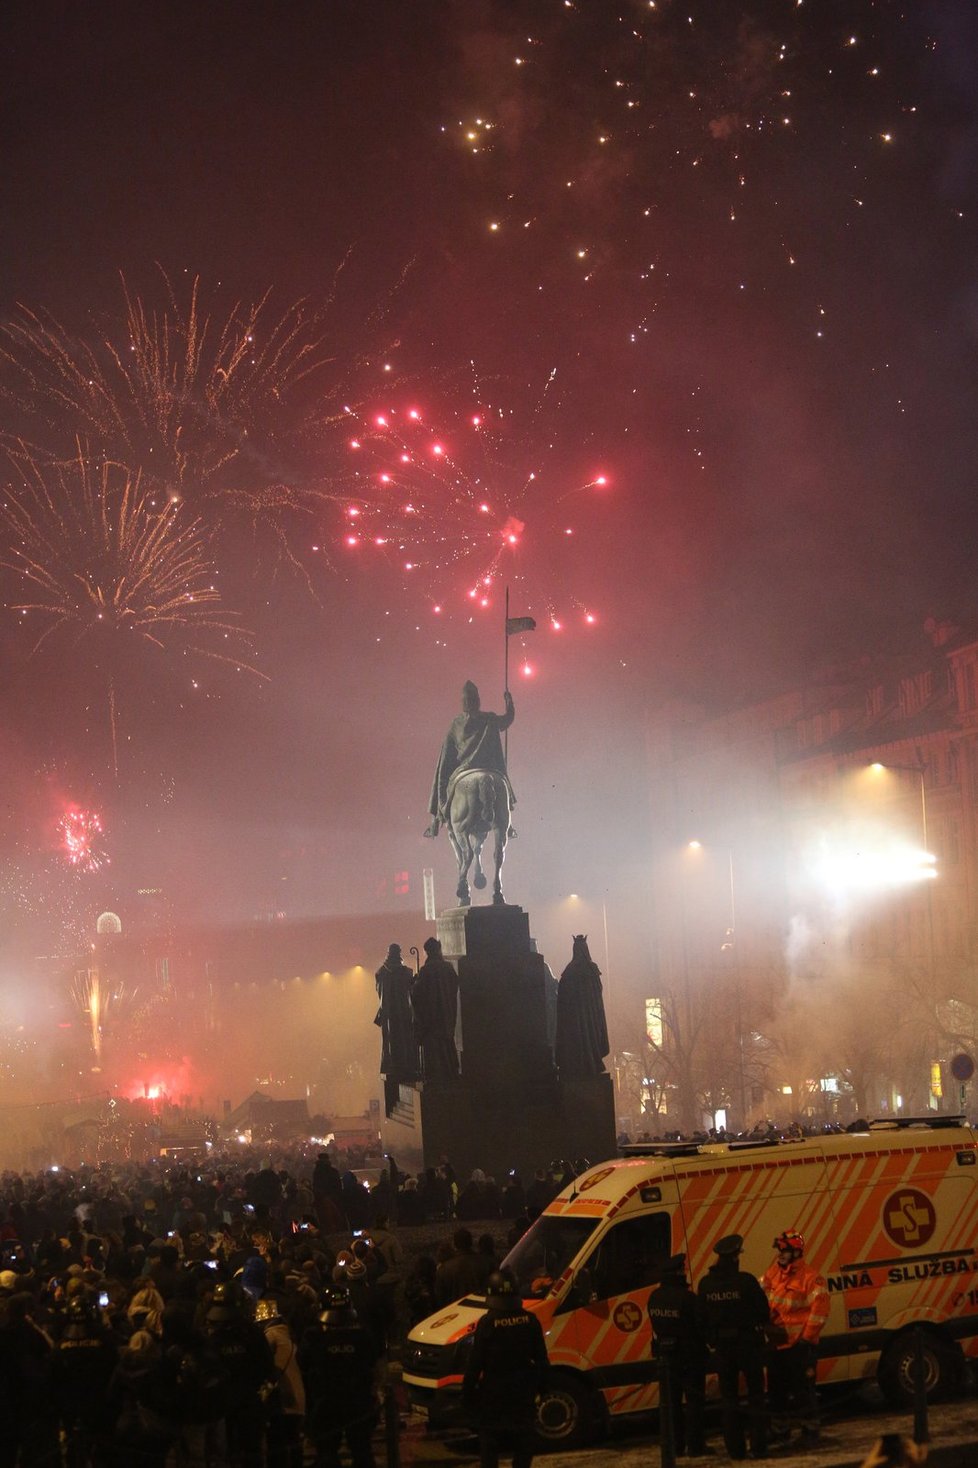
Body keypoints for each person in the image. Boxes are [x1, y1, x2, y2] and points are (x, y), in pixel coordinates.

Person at [462, 1267, 548, 1468]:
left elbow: (475, 1363)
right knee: (524, 1445)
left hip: (494, 1393)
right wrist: (542, 1389)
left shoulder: (488, 1323)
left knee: (490, 1446)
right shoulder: (531, 1320)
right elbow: (542, 1360)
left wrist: (467, 1395)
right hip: (523, 1392)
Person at [698, 1233, 770, 1460]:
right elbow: (763, 1312)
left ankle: (735, 1450)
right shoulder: (746, 1282)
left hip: (722, 1349)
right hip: (748, 1345)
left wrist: (713, 1339)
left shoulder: (706, 1285)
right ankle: (758, 1446)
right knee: (756, 1397)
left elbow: (702, 1318)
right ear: (735, 1258)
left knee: (729, 1400)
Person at [761, 1229, 829, 1446]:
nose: (780, 1254)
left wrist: (805, 1340)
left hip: (800, 1346)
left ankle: (810, 1432)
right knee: (776, 1392)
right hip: (777, 1345)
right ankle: (780, 1430)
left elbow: (819, 1313)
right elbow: (759, 1296)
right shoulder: (772, 1274)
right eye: (779, 1250)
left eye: (784, 1250)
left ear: (797, 1252)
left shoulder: (811, 1278)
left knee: (803, 1392)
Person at [299, 1287, 379, 1468]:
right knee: (362, 1451)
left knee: (328, 1452)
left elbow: (303, 1363)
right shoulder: (362, 1335)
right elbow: (372, 1361)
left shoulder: (314, 1337)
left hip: (326, 1401)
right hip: (357, 1400)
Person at [426, 681, 516, 837]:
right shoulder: (490, 718)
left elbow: (447, 754)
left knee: (441, 769)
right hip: (490, 768)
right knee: (503, 788)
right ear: (477, 700)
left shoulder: (456, 724)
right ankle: (508, 825)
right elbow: (507, 719)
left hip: (464, 769)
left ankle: (437, 818)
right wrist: (509, 702)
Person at [646, 1253, 709, 1459]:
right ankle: (695, 1446)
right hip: (690, 1356)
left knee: (671, 1405)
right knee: (694, 1404)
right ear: (678, 1273)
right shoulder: (688, 1298)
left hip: (666, 1356)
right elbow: (700, 1326)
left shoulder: (654, 1297)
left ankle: (676, 1446)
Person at [554, 936, 610, 1077]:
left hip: (574, 1022)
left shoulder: (569, 973)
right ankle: (593, 1063)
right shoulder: (592, 971)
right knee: (592, 1041)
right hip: (592, 1018)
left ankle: (577, 1065)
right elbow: (598, 994)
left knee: (577, 1043)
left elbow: (562, 1000)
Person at [374, 945, 419, 1116]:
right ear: (399, 954)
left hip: (388, 1016)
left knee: (391, 1043)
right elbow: (413, 991)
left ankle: (393, 1065)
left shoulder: (380, 973)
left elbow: (379, 993)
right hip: (404, 1014)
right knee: (406, 1041)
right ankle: (407, 1065)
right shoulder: (406, 972)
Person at [411, 939, 459, 1082]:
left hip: (431, 1018)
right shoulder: (448, 968)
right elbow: (454, 988)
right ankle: (450, 1073)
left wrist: (413, 984)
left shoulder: (426, 971)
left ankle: (436, 1076)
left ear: (427, 952)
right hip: (447, 1014)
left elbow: (418, 995)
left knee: (434, 1050)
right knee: (447, 1045)